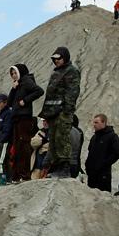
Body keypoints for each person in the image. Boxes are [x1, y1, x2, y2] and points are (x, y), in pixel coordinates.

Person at [39, 47, 81, 178]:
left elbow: (73, 91)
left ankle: (64, 168)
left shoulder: (71, 71)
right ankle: (57, 167)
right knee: (54, 140)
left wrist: (67, 109)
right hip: (53, 112)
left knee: (62, 138)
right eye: (55, 59)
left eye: (59, 58)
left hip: (62, 112)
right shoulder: (56, 73)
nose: (57, 61)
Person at [7, 64, 45, 183]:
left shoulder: (27, 81)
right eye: (12, 74)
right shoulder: (17, 85)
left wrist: (25, 100)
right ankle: (16, 176)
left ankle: (25, 175)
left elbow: (39, 91)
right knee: (17, 147)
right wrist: (13, 89)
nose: (14, 76)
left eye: (15, 73)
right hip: (16, 118)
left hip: (24, 118)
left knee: (23, 146)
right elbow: (9, 103)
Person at [84, 114, 119, 193]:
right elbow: (90, 152)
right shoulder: (94, 137)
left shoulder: (112, 136)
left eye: (96, 122)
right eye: (93, 123)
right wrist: (88, 166)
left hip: (103, 174)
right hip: (92, 174)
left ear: (103, 123)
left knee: (104, 195)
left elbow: (116, 153)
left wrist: (104, 164)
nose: (94, 125)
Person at [0, 93, 13, 184]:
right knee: (5, 159)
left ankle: (2, 179)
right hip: (3, 140)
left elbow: (7, 128)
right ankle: (8, 178)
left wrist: (2, 139)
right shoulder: (3, 114)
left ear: (5, 102)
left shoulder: (8, 113)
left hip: (5, 140)